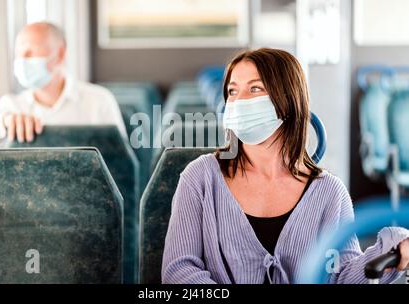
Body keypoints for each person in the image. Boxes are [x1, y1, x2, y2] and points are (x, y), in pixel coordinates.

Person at [162, 48, 409, 284]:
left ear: (287, 100)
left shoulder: (329, 192)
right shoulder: (199, 178)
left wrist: (391, 248)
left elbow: (341, 274)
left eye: (255, 88)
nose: (238, 102)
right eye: (232, 91)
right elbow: (179, 270)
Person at [0, 22, 126, 145]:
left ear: (60, 54)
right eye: (19, 54)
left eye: (31, 53)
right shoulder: (11, 106)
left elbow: (121, 161)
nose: (22, 61)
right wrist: (6, 121)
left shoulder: (99, 101)